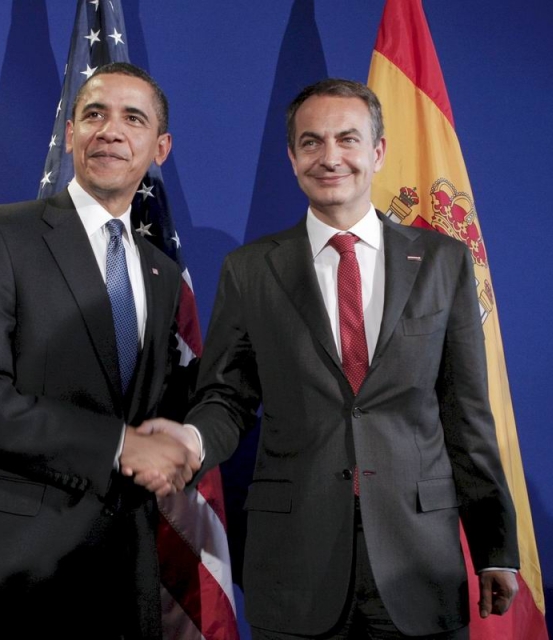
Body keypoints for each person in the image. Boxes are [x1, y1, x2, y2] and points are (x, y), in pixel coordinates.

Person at [136, 79, 520, 639]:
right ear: (292, 158)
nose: (331, 156)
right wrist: (192, 441)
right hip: (295, 564)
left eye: (348, 139)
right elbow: (227, 397)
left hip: (419, 562)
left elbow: (466, 415)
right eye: (312, 142)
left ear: (378, 151)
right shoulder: (250, 269)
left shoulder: (442, 262)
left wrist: (495, 548)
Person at [0, 62, 200, 638]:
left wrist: (184, 442)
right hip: (12, 570)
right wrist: (118, 443)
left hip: (123, 571)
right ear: (70, 131)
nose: (110, 130)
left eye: (133, 118)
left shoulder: (162, 273)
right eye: (94, 114)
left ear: (160, 147)